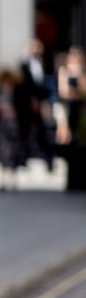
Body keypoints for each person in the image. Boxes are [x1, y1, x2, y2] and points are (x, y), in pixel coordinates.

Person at [19, 38, 53, 170]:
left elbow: (44, 85)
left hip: (40, 102)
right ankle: (23, 159)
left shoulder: (42, 64)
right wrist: (31, 100)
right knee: (25, 132)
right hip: (28, 104)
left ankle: (48, 160)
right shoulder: (24, 64)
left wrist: (44, 102)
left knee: (43, 132)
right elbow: (23, 86)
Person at [0, 69, 24, 191]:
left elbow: (22, 107)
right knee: (3, 152)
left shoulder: (16, 92)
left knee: (15, 151)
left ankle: (14, 178)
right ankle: (4, 178)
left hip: (14, 125)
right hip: (2, 126)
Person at [57, 46, 86, 191]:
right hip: (69, 112)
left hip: (81, 113)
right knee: (69, 147)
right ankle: (71, 181)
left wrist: (79, 75)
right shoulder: (64, 72)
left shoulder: (82, 73)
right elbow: (64, 92)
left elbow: (83, 91)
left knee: (81, 147)